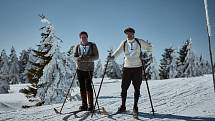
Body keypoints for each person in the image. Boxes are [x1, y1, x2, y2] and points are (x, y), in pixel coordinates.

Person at [108, 27, 152, 115]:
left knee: (137, 88)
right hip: (127, 68)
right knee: (124, 88)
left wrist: (145, 55)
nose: (128, 35)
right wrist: (112, 56)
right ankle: (123, 106)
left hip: (137, 67)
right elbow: (118, 51)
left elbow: (150, 48)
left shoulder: (139, 41)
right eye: (126, 33)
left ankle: (135, 107)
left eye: (130, 33)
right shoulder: (124, 43)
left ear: (133, 34)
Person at [74, 31, 99, 112]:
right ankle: (84, 105)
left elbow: (96, 56)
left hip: (89, 69)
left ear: (87, 37)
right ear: (80, 38)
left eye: (85, 37)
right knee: (82, 87)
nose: (83, 38)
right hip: (79, 69)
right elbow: (74, 56)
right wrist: (78, 58)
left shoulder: (92, 45)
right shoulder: (78, 46)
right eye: (82, 37)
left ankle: (91, 105)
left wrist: (88, 58)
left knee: (88, 86)